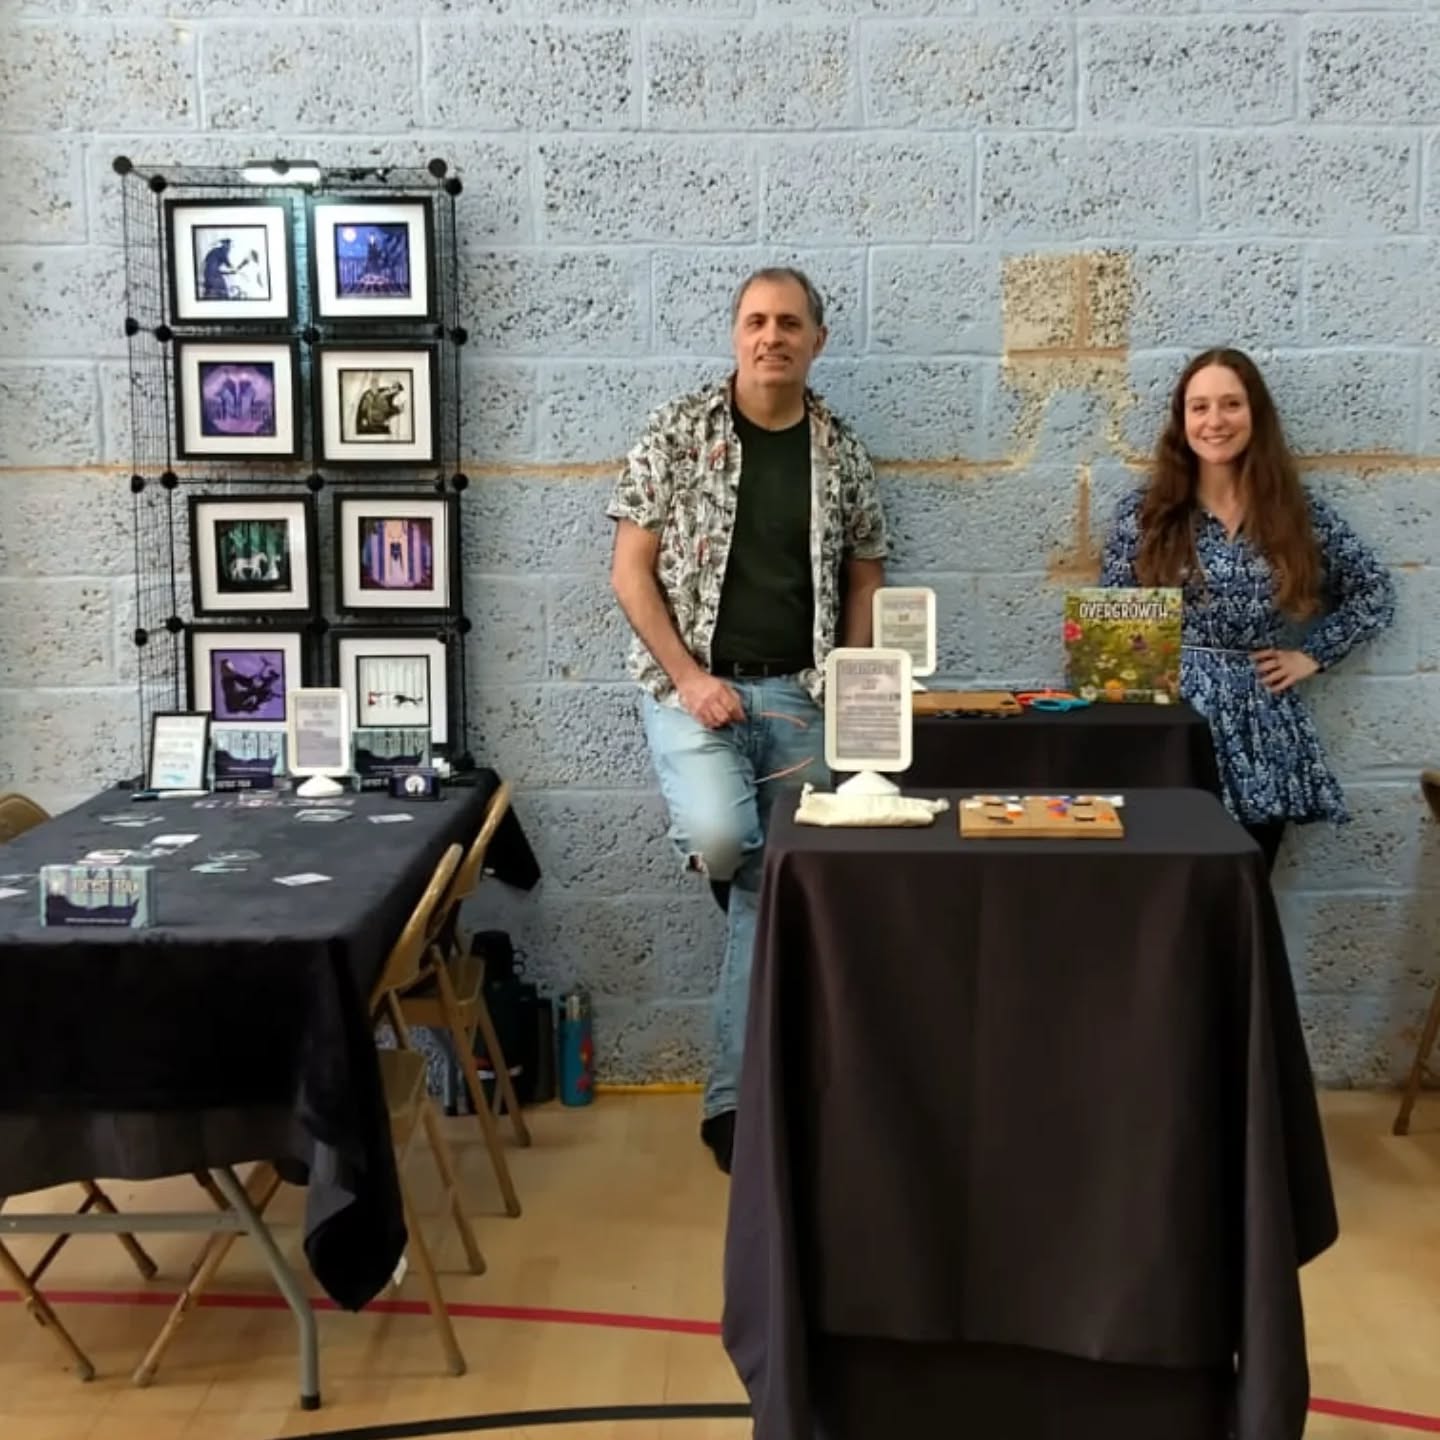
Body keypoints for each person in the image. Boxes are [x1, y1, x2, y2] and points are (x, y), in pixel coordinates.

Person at [607, 267, 888, 1173]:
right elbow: (629, 571)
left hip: (800, 697)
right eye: (757, 321)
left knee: (775, 883)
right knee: (732, 846)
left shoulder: (841, 452)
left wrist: (848, 687)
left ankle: (735, 1106)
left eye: (791, 323)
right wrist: (689, 678)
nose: (773, 337)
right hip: (692, 693)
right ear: (736, 334)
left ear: (817, 341)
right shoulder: (677, 432)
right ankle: (763, 1069)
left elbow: (866, 572)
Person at [1100, 347, 1396, 872]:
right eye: (1199, 407)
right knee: (1167, 895)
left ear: (1255, 414)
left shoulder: (1296, 515)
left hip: (1261, 735)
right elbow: (1111, 631)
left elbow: (1373, 591)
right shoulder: (1146, 515)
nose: (1215, 421)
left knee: (1244, 896)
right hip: (1169, 729)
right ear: (1182, 421)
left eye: (1231, 404)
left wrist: (1311, 656)